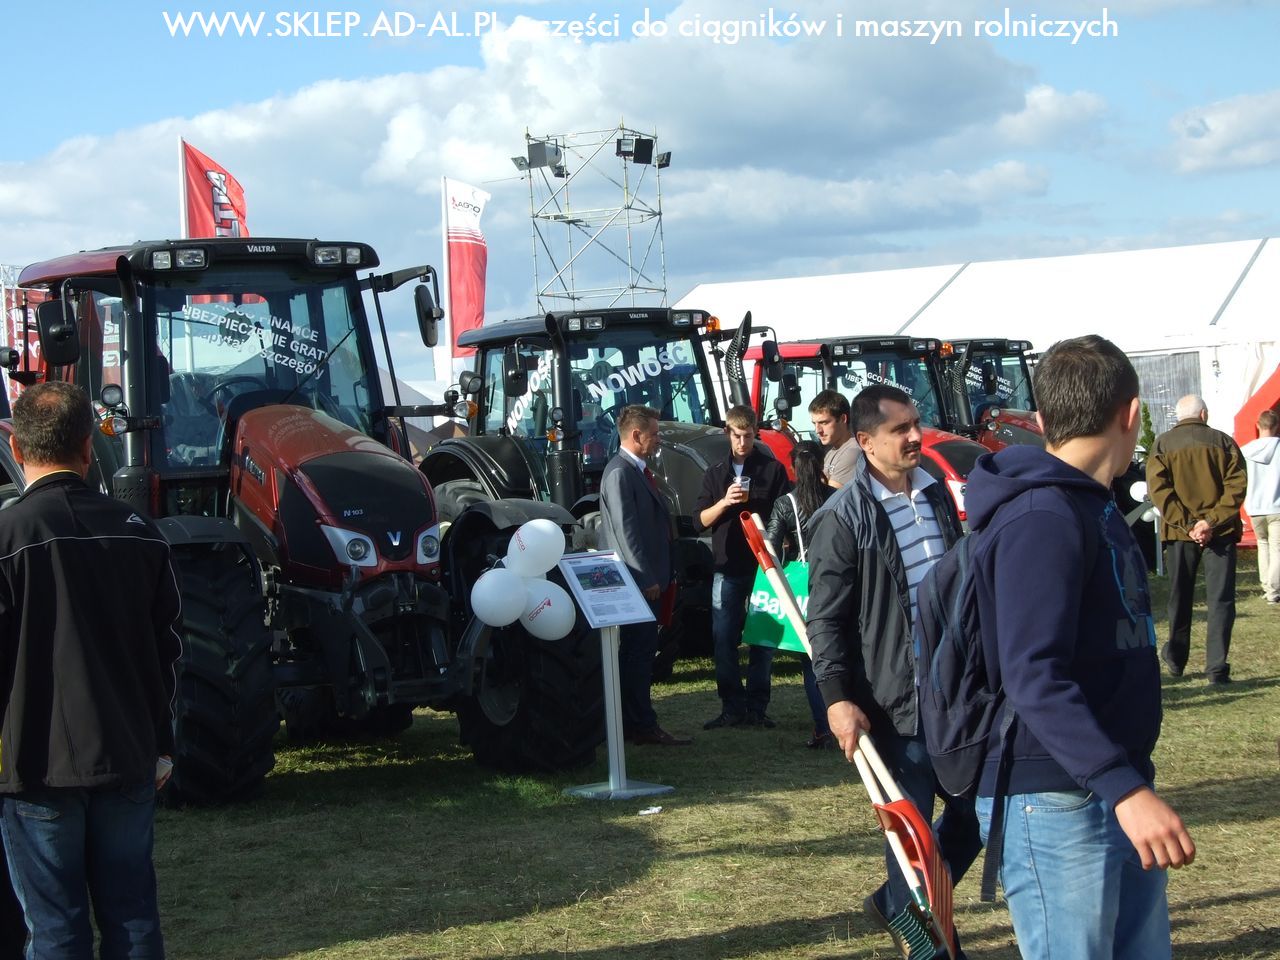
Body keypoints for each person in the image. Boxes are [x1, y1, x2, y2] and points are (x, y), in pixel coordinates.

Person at [967, 335, 1196, 960]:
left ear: (1042, 420)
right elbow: (1033, 674)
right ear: (1131, 414)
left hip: (1111, 783)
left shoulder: (1094, 507)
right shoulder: (1042, 516)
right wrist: (1125, 789)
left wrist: (1127, 782)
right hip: (1059, 797)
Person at [0, 380, 182, 957]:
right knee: (132, 917)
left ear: (16, 448)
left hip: (33, 767)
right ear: (88, 446)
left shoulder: (6, 536)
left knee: (55, 928)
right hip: (127, 754)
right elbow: (167, 652)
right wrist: (161, 744)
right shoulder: (140, 533)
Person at [806, 384, 978, 956]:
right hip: (894, 702)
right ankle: (932, 947)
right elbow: (825, 619)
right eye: (899, 429)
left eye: (915, 424)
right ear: (865, 441)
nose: (915, 436)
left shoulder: (935, 494)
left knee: (975, 815)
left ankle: (897, 902)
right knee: (913, 838)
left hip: (956, 694)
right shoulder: (842, 517)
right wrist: (837, 699)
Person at [598, 404, 692, 746]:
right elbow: (627, 532)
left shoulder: (634, 471)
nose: (659, 439)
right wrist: (645, 577)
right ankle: (639, 724)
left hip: (647, 579)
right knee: (637, 655)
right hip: (638, 583)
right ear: (636, 435)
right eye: (654, 434)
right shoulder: (620, 474)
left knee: (639, 653)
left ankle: (634, 722)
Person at [696, 405, 790, 729]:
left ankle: (757, 708)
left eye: (748, 436)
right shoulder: (715, 473)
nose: (742, 442)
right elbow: (699, 521)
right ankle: (731, 707)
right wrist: (724, 502)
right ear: (727, 432)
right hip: (727, 564)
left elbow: (787, 514)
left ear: (755, 434)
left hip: (764, 566)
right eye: (737, 436)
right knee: (723, 638)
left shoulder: (772, 470)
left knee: (763, 640)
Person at [1146, 394, 1247, 684]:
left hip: (1180, 532)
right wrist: (1210, 521)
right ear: (1204, 414)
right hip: (1221, 532)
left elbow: (1159, 491)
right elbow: (1236, 486)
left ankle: (1176, 660)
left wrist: (1190, 524)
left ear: (1178, 416)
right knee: (1221, 599)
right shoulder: (1224, 442)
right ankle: (1216, 668)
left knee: (1180, 596)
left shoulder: (1162, 444)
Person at [764, 440, 836, 748]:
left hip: (805, 583)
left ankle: (823, 727)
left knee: (811, 659)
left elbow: (769, 547)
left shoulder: (786, 504)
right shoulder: (837, 497)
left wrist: (787, 554)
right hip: (836, 577)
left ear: (793, 468)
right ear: (822, 466)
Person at [1242, 408, 1280, 604]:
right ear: (1276, 426)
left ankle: (1266, 585)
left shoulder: (1246, 450)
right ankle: (1274, 590)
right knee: (1277, 549)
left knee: (1263, 546)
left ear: (1258, 426)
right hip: (1277, 507)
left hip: (1255, 507)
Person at [808, 389, 856, 487]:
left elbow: (831, 495)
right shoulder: (830, 450)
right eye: (814, 424)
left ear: (843, 419)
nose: (817, 430)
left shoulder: (853, 452)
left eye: (824, 423)